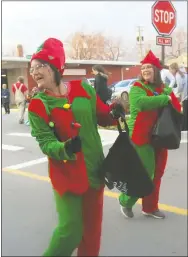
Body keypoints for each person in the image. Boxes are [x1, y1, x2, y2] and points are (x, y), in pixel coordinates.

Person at [28, 38, 124, 256]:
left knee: (92, 233)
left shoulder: (83, 88)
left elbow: (102, 115)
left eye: (39, 66)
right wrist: (65, 148)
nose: (34, 72)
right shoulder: (38, 105)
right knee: (70, 231)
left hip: (95, 171)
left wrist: (114, 113)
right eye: (31, 68)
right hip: (66, 176)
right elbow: (45, 141)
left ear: (55, 66)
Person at [118, 50, 181, 219]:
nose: (145, 70)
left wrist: (167, 96)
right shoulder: (137, 88)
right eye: (143, 67)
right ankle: (125, 200)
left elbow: (177, 106)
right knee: (146, 173)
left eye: (149, 67)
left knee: (157, 173)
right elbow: (140, 103)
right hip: (141, 136)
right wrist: (164, 98)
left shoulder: (163, 88)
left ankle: (150, 207)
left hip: (161, 136)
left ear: (156, 70)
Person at [169, 62, 188, 131]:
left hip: (185, 97)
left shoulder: (178, 75)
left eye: (170, 70)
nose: (170, 72)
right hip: (186, 96)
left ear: (174, 69)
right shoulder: (184, 74)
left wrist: (175, 93)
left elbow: (179, 87)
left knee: (185, 114)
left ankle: (185, 129)